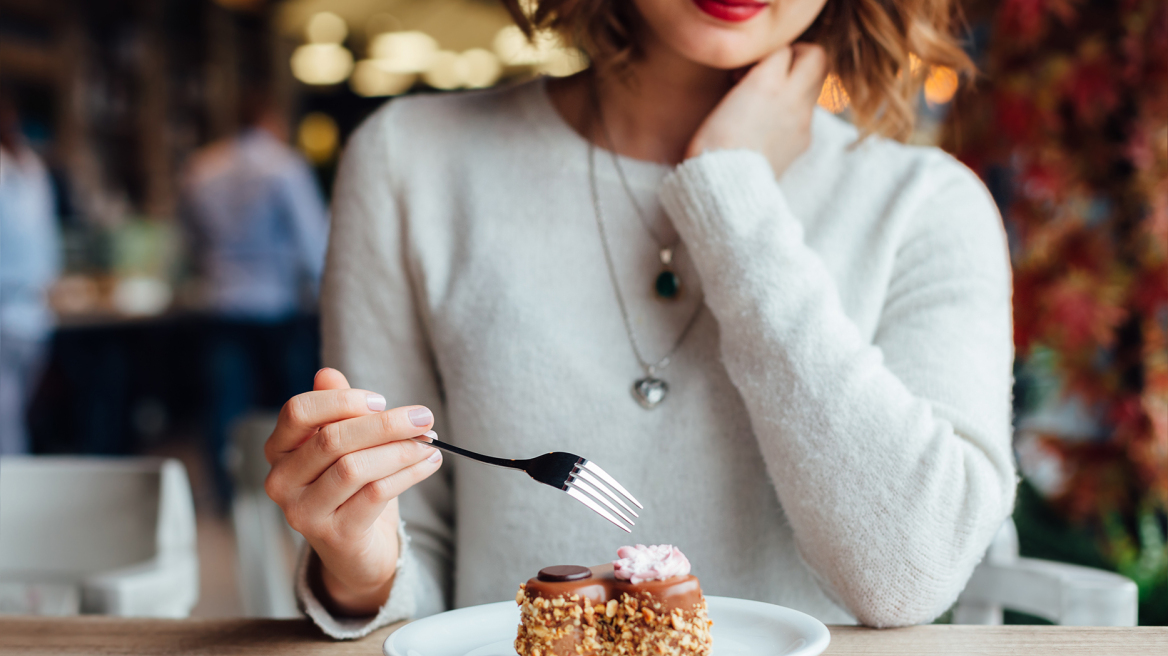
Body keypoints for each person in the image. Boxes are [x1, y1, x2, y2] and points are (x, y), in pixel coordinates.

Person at [264, 0, 1016, 638]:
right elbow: (411, 565)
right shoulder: (410, 164)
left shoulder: (927, 206)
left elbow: (909, 574)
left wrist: (730, 196)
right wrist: (358, 564)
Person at [180, 89, 328, 508]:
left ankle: (227, 495)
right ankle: (294, 490)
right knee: (291, 406)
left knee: (224, 403)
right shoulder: (283, 165)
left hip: (221, 300)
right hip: (275, 303)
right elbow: (311, 240)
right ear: (270, 120)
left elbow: (189, 238)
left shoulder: (201, 166)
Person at [0, 96, 61, 455]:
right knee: (4, 420)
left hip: (36, 310)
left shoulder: (33, 167)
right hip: (4, 308)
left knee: (20, 413)